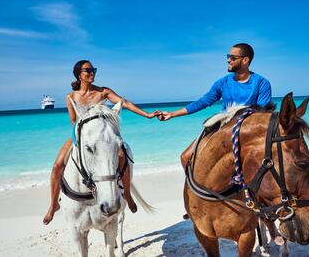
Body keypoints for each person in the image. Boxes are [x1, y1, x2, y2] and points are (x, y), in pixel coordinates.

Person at [158, 43, 284, 245]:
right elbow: (203, 101)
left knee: (260, 168)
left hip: (247, 132)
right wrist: (173, 114)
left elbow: (264, 113)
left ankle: (266, 219)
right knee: (185, 156)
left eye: (232, 57)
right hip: (222, 128)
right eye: (228, 56)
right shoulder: (223, 82)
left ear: (245, 60)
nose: (228, 60)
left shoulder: (261, 83)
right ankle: (192, 203)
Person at [43, 60, 161, 225]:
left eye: (93, 70)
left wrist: (146, 115)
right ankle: (54, 204)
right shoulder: (71, 97)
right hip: (81, 135)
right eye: (88, 70)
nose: (92, 73)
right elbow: (73, 122)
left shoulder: (103, 92)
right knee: (57, 166)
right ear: (79, 74)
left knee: (122, 155)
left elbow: (124, 103)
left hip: (103, 135)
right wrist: (81, 138)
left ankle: (126, 192)